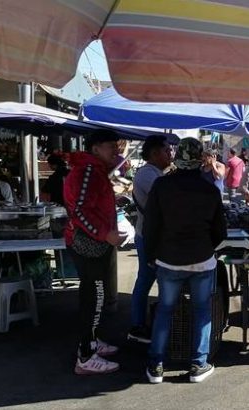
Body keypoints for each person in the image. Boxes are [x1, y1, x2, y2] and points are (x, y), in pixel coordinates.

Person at [143, 138, 226, 384]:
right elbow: (219, 231)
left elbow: (150, 227)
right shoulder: (210, 189)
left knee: (165, 310)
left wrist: (150, 256)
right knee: (202, 311)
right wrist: (206, 247)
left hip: (168, 260)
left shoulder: (161, 185)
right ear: (200, 159)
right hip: (202, 261)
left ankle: (155, 365)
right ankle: (198, 364)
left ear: (178, 158)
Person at [64, 130, 127, 375]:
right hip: (88, 244)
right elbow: (79, 211)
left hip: (94, 243)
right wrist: (105, 234)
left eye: (117, 146)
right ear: (95, 148)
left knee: (95, 296)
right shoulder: (88, 171)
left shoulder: (94, 170)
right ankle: (85, 356)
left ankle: (91, 342)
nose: (117, 151)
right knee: (94, 297)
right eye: (111, 146)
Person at [127, 135, 172, 344]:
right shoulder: (147, 175)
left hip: (157, 236)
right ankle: (137, 325)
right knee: (146, 279)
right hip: (148, 237)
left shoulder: (157, 173)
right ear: (154, 153)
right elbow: (167, 200)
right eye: (166, 151)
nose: (170, 154)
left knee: (152, 279)